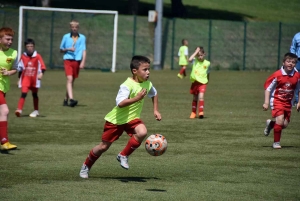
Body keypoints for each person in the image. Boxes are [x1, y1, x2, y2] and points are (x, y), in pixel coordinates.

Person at [79, 55, 162, 178]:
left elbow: (154, 94)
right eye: (145, 69)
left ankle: (123, 155)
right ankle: (86, 165)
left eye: (149, 69)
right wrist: (137, 98)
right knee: (103, 147)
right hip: (116, 120)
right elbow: (120, 103)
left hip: (132, 119)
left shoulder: (147, 84)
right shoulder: (127, 85)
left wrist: (155, 110)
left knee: (142, 132)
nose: (148, 72)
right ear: (135, 71)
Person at [263, 52, 300, 149]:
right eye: (288, 61)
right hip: (276, 101)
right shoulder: (277, 75)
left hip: (288, 103)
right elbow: (268, 88)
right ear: (283, 62)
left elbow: (299, 89)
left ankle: (271, 124)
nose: (290, 64)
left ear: (295, 64)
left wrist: (299, 102)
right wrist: (266, 102)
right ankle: (276, 143)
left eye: (293, 62)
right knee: (279, 121)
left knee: (284, 124)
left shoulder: (297, 76)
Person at [15, 38, 46, 118]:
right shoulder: (23, 56)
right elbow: (20, 69)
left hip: (35, 80)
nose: (30, 48)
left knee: (34, 95)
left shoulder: (37, 56)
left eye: (31, 46)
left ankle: (36, 110)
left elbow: (43, 67)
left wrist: (41, 74)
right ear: (25, 47)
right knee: (23, 94)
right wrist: (19, 79)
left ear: (34, 47)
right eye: (28, 46)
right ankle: (19, 110)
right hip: (25, 79)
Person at [60, 20, 86, 107]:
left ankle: (65, 99)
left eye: (76, 27)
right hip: (68, 59)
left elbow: (84, 50)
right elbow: (61, 49)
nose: (74, 29)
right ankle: (71, 100)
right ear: (70, 28)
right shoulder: (66, 37)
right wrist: (68, 49)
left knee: (71, 81)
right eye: (73, 27)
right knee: (70, 79)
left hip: (77, 61)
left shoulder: (82, 37)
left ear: (78, 28)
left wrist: (83, 61)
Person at [0, 27, 18, 150]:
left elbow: (16, 69)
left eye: (11, 39)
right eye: (7, 39)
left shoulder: (14, 53)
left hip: (4, 87)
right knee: (5, 111)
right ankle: (4, 142)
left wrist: (8, 73)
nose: (10, 41)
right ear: (0, 39)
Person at [188, 46, 210, 119]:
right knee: (195, 98)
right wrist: (196, 52)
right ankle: (193, 112)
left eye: (201, 55)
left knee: (201, 97)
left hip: (203, 83)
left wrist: (207, 81)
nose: (199, 57)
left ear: (204, 54)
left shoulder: (207, 63)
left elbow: (208, 73)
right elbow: (190, 59)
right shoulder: (195, 61)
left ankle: (201, 112)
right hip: (195, 82)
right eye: (198, 55)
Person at [290, 32, 300, 106]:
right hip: (298, 60)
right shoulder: (297, 36)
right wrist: (293, 59)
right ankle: (296, 100)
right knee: (296, 80)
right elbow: (293, 48)